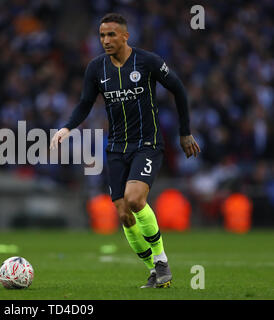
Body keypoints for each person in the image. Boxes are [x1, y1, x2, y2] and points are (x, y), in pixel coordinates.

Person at [50, 13, 200, 288]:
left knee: (134, 198)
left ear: (125, 36)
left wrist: (185, 132)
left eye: (111, 35)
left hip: (147, 143)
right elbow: (85, 103)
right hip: (116, 147)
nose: (105, 40)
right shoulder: (96, 69)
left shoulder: (148, 61)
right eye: (102, 35)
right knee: (123, 214)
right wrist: (66, 128)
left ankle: (162, 260)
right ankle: (155, 271)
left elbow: (178, 90)